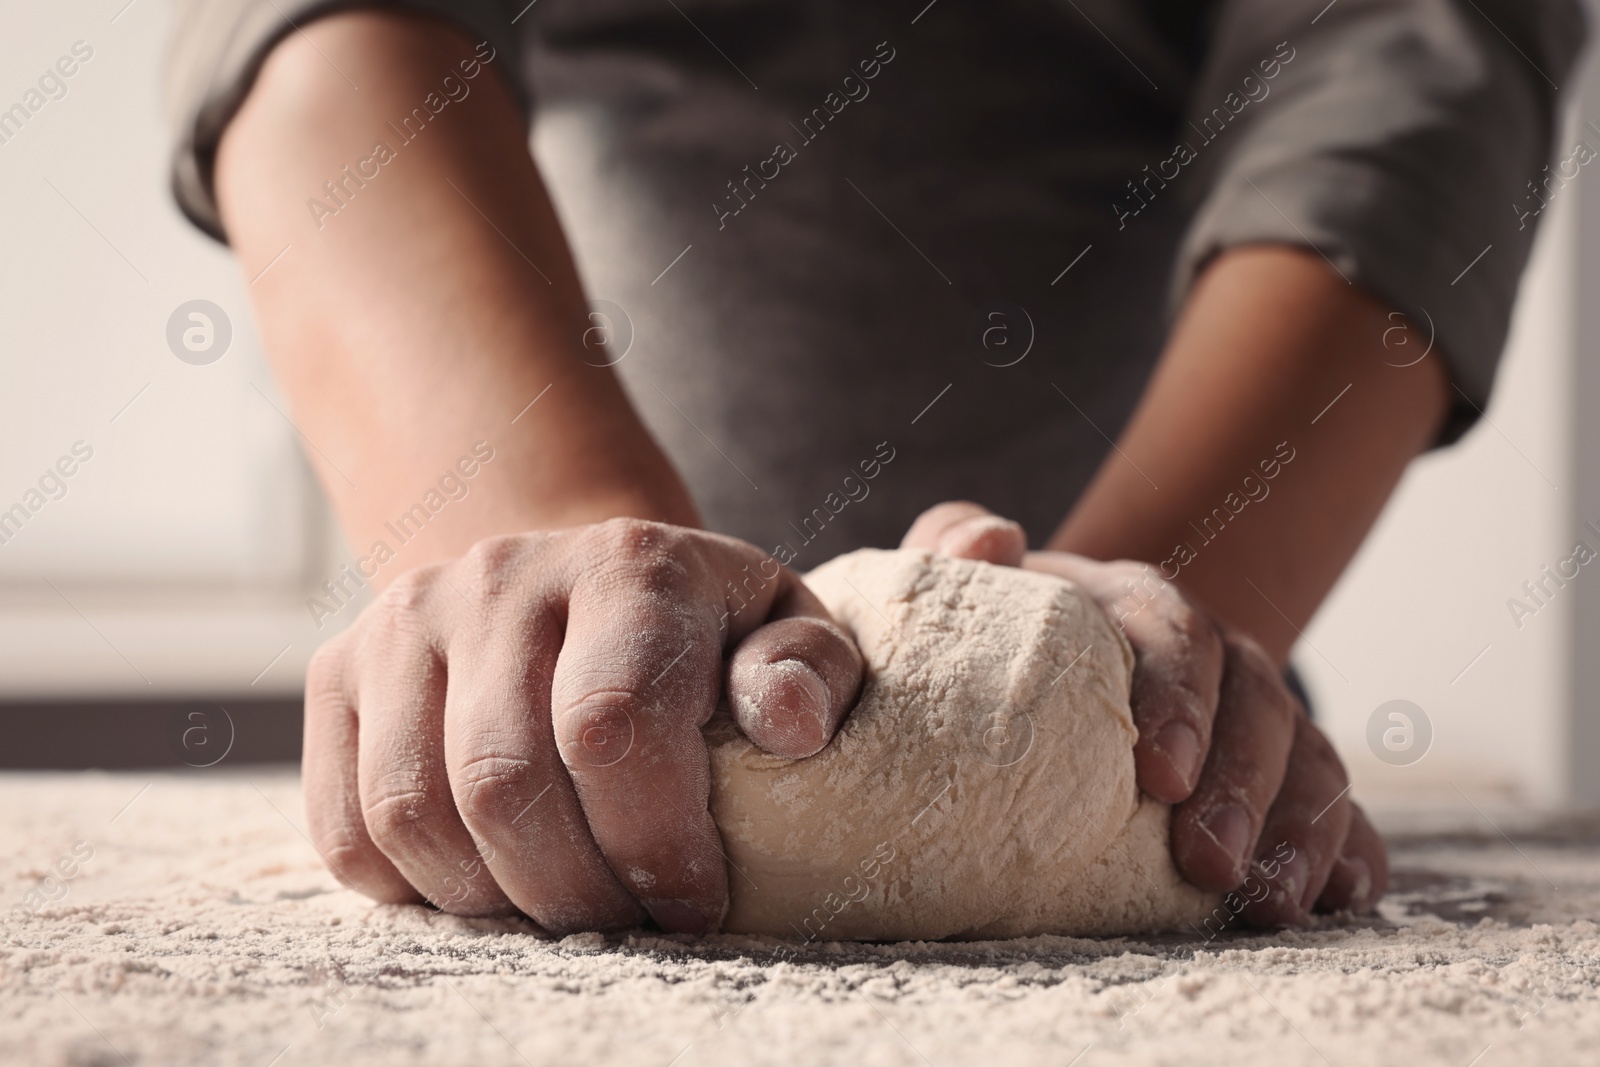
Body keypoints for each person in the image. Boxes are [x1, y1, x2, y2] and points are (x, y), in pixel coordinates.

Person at [165, 0, 1581, 935]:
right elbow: (320, 27)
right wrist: (549, 548)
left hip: (1170, 672)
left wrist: (1127, 655)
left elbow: (1404, 49)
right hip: (531, 632)